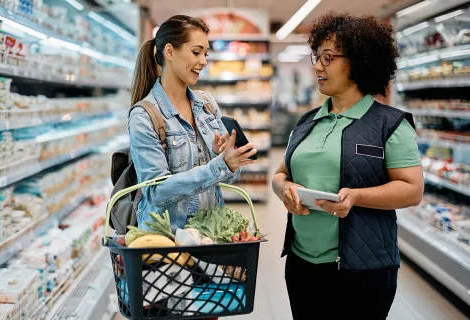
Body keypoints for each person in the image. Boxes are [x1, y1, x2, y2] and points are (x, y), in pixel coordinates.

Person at [271, 13, 424, 320]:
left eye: (328, 58)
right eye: (317, 56)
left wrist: (356, 197)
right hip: (301, 264)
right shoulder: (307, 122)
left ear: (359, 61)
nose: (317, 66)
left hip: (362, 270)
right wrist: (285, 189)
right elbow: (280, 173)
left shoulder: (389, 124)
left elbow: (412, 190)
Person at [128, 15, 257, 232]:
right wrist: (219, 165)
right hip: (167, 243)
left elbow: (229, 176)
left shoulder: (207, 104)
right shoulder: (144, 115)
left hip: (210, 235)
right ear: (169, 51)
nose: (204, 61)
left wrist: (225, 157)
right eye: (196, 52)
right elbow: (156, 192)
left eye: (205, 54)